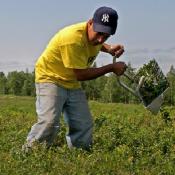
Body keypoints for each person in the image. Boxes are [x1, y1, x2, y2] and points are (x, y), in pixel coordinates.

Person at [23, 6, 126, 151]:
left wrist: (108, 48)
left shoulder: (96, 37)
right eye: (99, 33)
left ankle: (80, 156)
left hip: (70, 81)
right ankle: (30, 154)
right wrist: (111, 68)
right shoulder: (71, 39)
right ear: (90, 23)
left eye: (106, 36)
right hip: (50, 77)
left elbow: (97, 42)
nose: (100, 39)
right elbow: (81, 75)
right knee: (49, 122)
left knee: (83, 123)